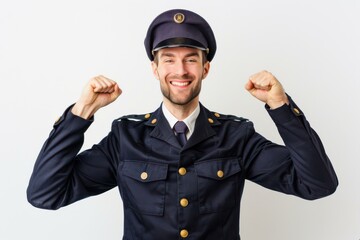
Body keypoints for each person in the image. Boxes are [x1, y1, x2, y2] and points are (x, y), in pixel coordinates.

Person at [27, 8, 338, 240]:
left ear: (205, 68)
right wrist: (81, 113)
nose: (181, 70)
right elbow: (45, 194)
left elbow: (317, 184)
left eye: (191, 58)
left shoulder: (236, 136)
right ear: (154, 68)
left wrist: (281, 106)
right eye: (169, 59)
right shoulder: (126, 139)